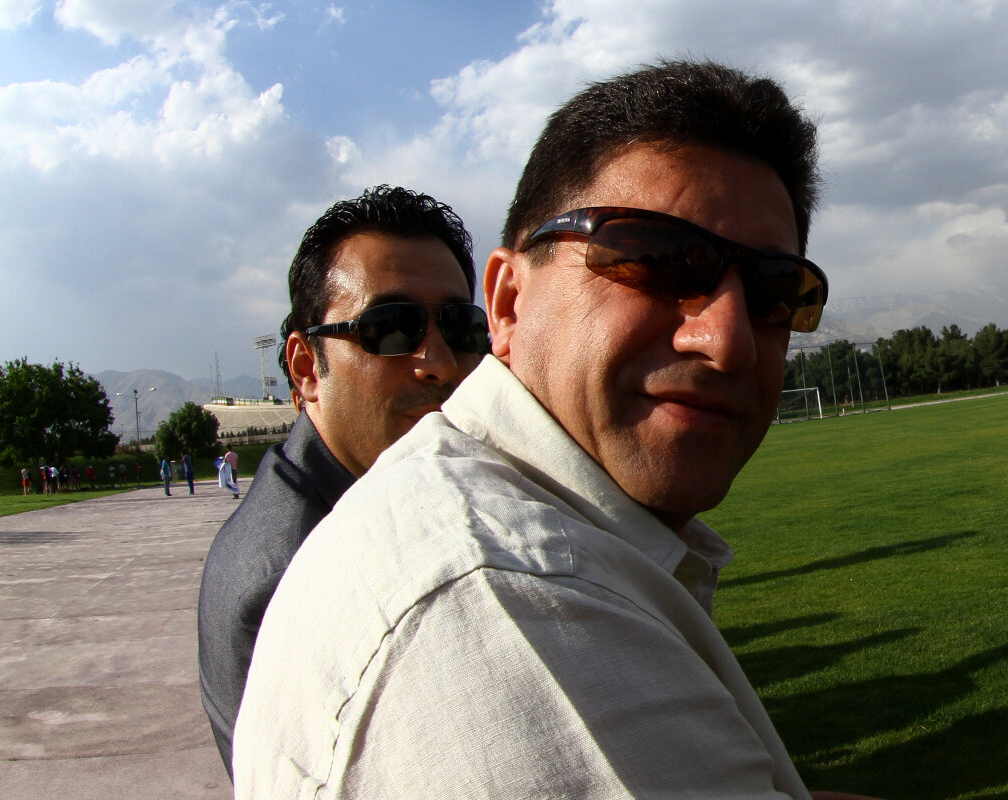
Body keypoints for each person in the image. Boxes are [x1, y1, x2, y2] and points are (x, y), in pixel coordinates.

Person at [235, 61, 875, 800]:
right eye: (658, 260)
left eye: (774, 291)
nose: (728, 341)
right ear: (508, 302)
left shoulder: (495, 524)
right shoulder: (506, 595)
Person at [197, 185, 487, 779]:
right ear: (307, 367)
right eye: (392, 327)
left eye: (459, 326)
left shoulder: (383, 492)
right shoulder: (292, 572)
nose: (439, 363)